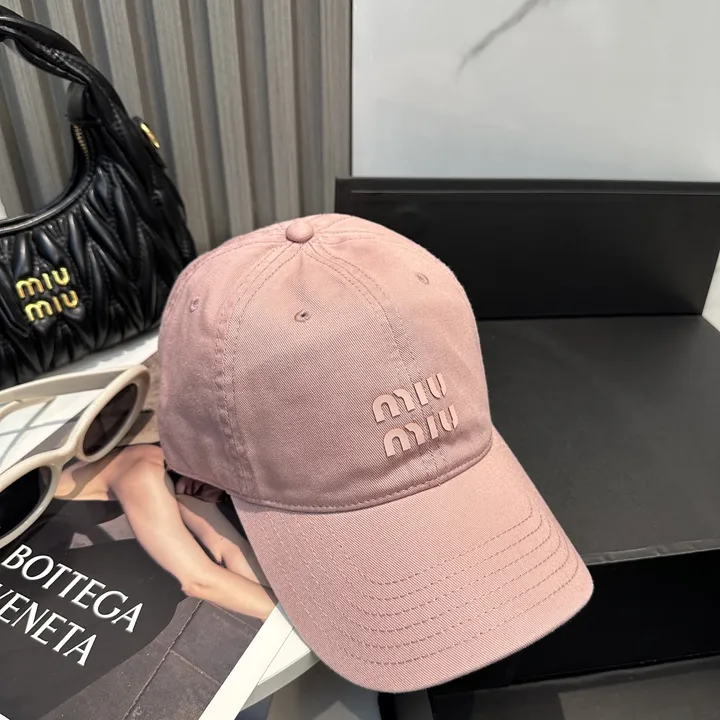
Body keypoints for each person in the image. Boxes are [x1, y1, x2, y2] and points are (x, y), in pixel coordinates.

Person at [56, 442, 275, 621]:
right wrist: (284, 621)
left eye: (225, 498)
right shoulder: (144, 470)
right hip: (40, 527)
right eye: (224, 485)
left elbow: (233, 551)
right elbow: (198, 581)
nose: (212, 496)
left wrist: (285, 611)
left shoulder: (188, 482)